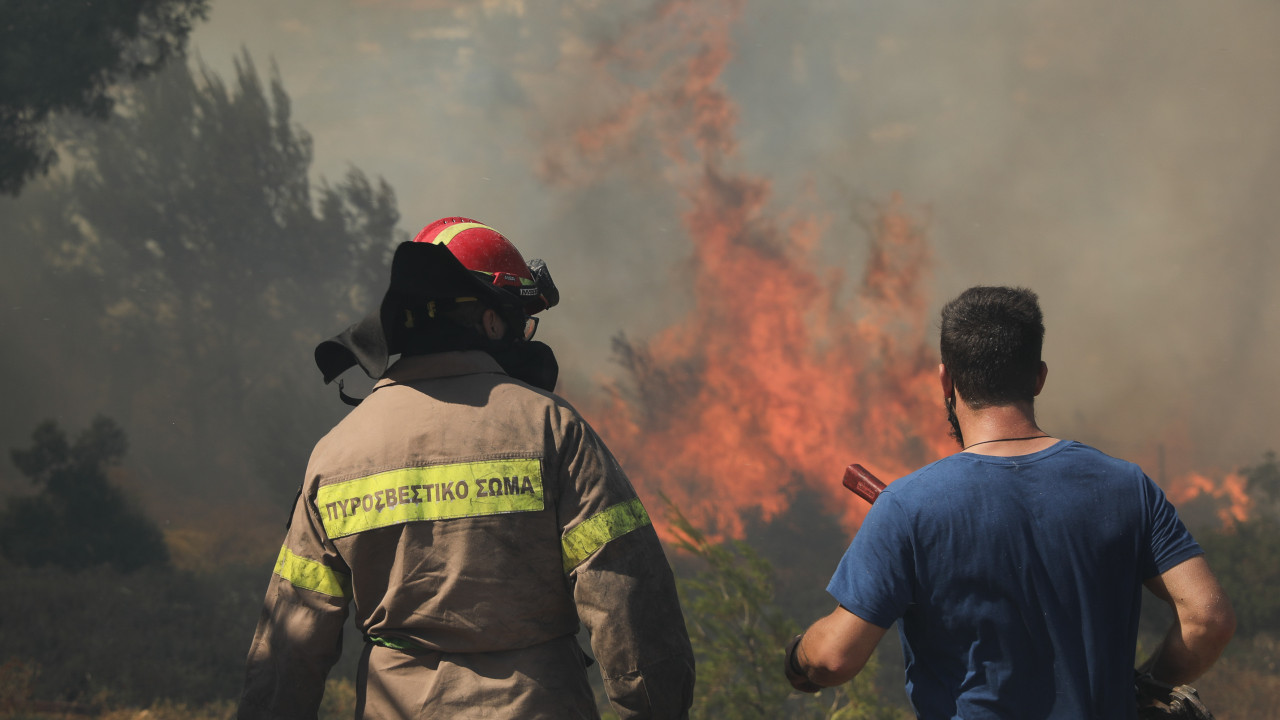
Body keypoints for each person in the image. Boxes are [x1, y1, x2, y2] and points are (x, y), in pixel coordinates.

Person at [238, 217, 695, 720]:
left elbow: (288, 645)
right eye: (521, 318)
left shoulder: (336, 454)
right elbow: (629, 602)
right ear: (492, 321)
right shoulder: (553, 429)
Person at [784, 285, 1235, 718]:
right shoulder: (1125, 486)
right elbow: (1208, 618)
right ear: (1039, 378)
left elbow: (833, 659)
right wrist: (1146, 687)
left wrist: (799, 655)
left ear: (946, 380)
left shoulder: (910, 506)